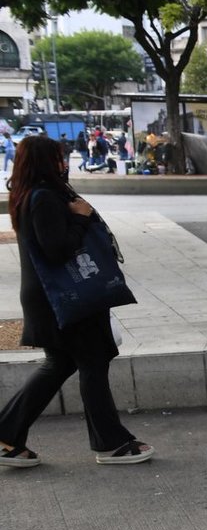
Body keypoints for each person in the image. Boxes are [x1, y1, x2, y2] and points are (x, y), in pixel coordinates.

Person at [0, 136, 154, 467]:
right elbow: (56, 250)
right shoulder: (44, 198)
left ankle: (6, 435)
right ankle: (110, 443)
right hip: (66, 299)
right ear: (44, 162)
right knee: (92, 363)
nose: (64, 162)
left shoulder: (33, 194)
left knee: (63, 364)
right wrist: (82, 218)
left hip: (52, 298)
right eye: (58, 157)